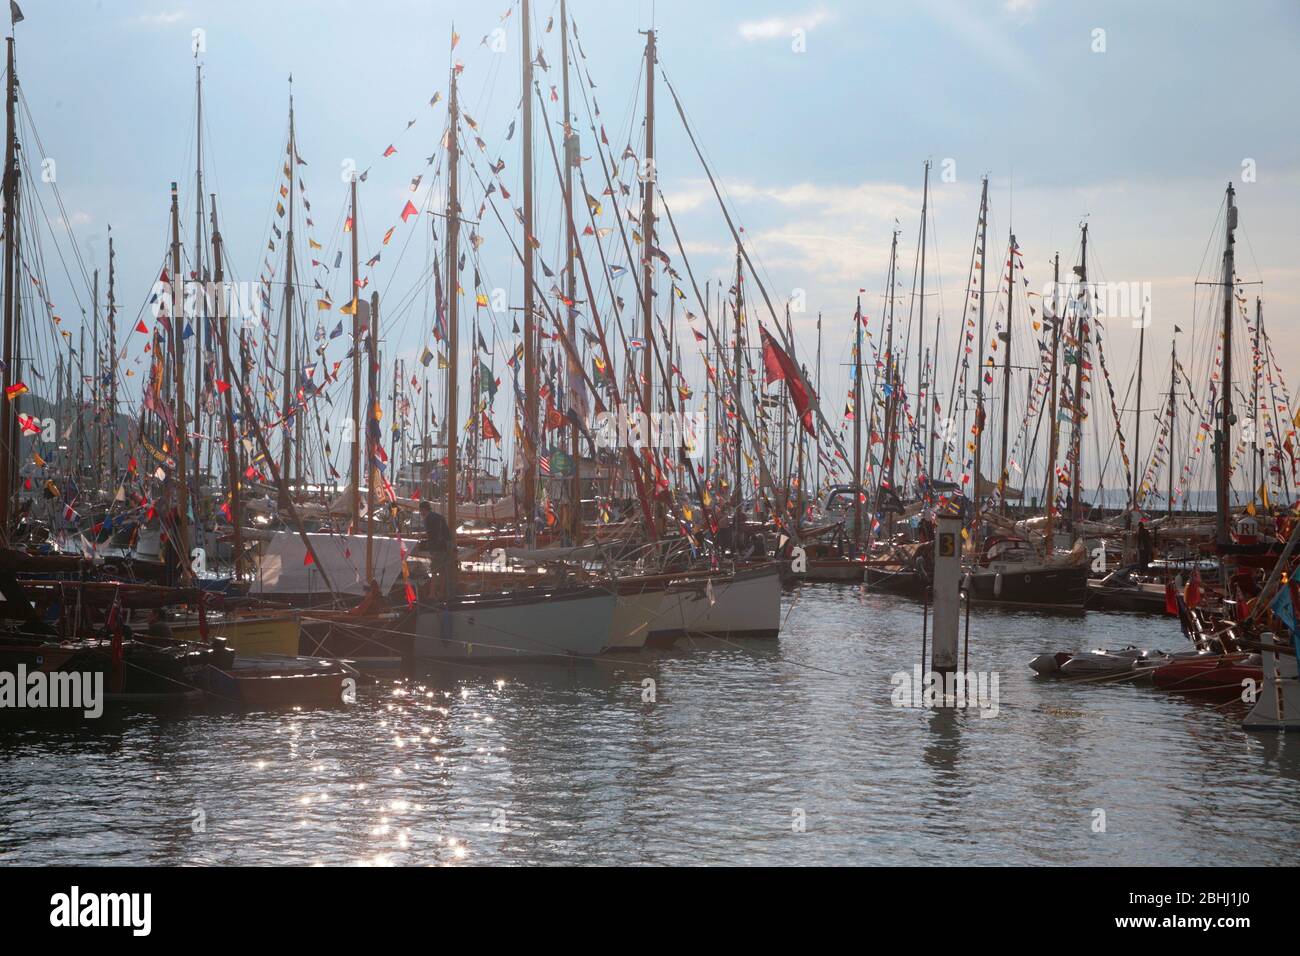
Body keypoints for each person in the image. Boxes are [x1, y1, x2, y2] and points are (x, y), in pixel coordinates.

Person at [420, 500, 452, 597]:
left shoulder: (428, 519)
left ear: (424, 509)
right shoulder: (440, 517)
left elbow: (431, 535)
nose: (421, 513)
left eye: (421, 510)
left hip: (437, 549)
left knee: (434, 571)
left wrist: (429, 546)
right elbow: (446, 533)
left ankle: (432, 594)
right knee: (442, 572)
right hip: (444, 547)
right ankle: (441, 593)